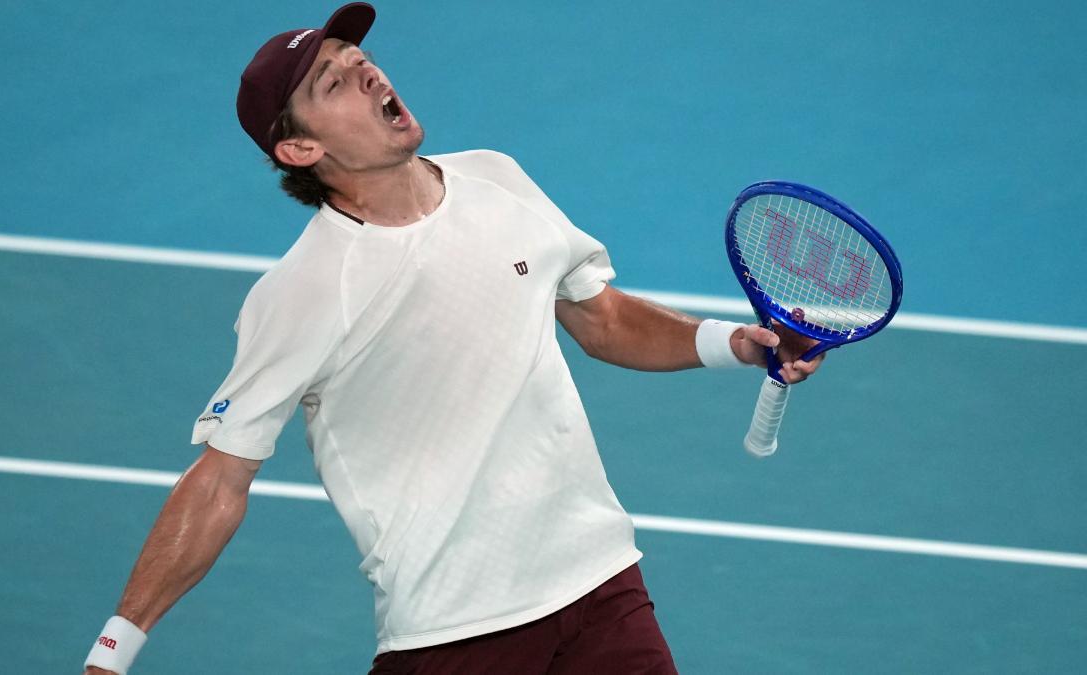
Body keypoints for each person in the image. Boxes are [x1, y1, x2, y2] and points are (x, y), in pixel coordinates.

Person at [83, 3, 824, 673]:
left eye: (357, 58)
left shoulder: (496, 179)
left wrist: (740, 342)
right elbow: (219, 480)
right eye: (332, 83)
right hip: (454, 632)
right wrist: (113, 650)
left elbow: (602, 319)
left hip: (601, 585)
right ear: (301, 150)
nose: (364, 70)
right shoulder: (303, 291)